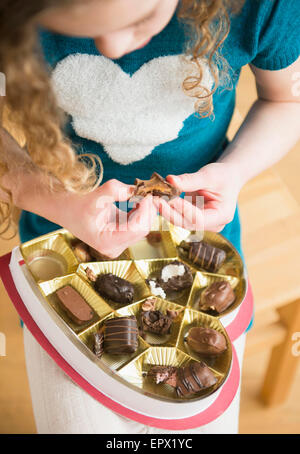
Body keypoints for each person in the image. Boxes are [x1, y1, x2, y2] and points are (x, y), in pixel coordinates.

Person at [0, 0, 299, 433]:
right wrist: (50, 197)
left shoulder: (261, 7)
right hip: (60, 235)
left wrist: (234, 172)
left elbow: (286, 99)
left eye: (139, 20)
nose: (114, 47)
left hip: (202, 241)